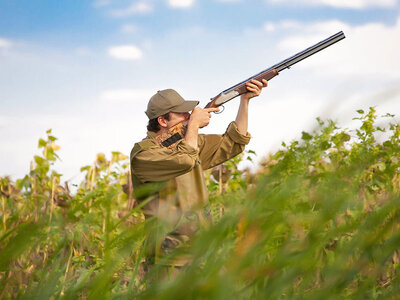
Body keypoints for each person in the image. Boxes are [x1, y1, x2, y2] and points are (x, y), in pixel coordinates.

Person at [130, 79, 268, 276]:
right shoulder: (144, 155)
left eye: (189, 112)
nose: (189, 116)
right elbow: (185, 159)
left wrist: (244, 101)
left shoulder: (187, 143)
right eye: (182, 114)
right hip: (169, 260)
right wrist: (193, 126)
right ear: (162, 121)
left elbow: (233, 143)